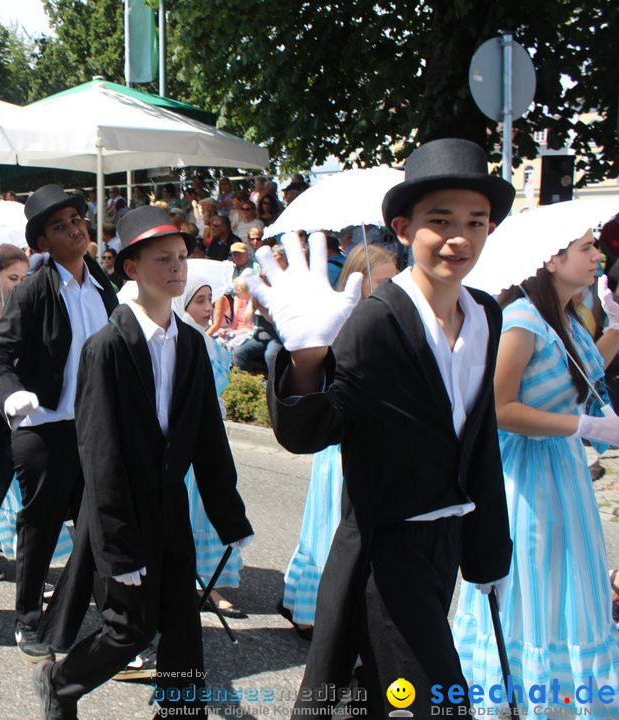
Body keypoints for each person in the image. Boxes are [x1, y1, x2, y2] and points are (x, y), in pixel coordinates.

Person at [254, 138, 514, 717]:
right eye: (440, 221)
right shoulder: (377, 321)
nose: (459, 237)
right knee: (437, 703)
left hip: (442, 546)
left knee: (382, 698)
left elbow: (480, 440)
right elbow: (311, 432)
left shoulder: (485, 314)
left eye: (475, 222)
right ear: (403, 226)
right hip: (384, 550)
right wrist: (305, 358)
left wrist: (490, 551)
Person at [33, 206, 253, 719]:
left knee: (180, 617)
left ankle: (180, 710)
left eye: (181, 257)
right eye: (163, 259)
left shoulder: (192, 345)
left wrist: (229, 515)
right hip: (119, 509)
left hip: (169, 505)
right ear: (131, 268)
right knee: (127, 627)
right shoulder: (106, 347)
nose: (177, 268)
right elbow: (99, 453)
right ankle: (60, 682)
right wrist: (119, 547)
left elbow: (207, 438)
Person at [452, 230, 619, 713]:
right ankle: (517, 690)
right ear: (552, 258)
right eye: (586, 248)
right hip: (524, 477)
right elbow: (500, 409)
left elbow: (581, 376)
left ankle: (553, 694)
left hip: (561, 467)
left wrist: (616, 329)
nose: (596, 256)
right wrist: (586, 424)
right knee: (532, 583)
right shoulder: (522, 318)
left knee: (566, 580)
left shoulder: (563, 316)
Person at [0, 184, 118, 662]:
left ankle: (114, 624)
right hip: (46, 428)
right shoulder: (35, 289)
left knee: (98, 527)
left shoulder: (103, 285)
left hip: (96, 430)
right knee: (39, 527)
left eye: (77, 220)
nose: (75, 229)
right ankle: (27, 617)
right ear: (42, 244)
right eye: (59, 227)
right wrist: (11, 394)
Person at [278, 244, 398, 638]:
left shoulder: (395, 322)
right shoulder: (336, 323)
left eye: (395, 281)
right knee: (333, 524)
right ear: (358, 282)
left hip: (376, 446)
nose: (389, 289)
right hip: (339, 446)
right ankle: (318, 609)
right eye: (381, 282)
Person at [0, 246, 70, 578]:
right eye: (13, 277)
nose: (19, 284)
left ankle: (28, 563)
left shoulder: (21, 309)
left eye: (23, 278)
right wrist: (9, 368)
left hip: (18, 403)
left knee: (22, 487)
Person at [173, 269, 246, 619]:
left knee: (207, 507)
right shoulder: (179, 339)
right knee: (187, 510)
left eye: (208, 299)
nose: (207, 307)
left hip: (211, 435)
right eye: (199, 300)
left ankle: (205, 579)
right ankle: (191, 580)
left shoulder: (210, 342)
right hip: (188, 439)